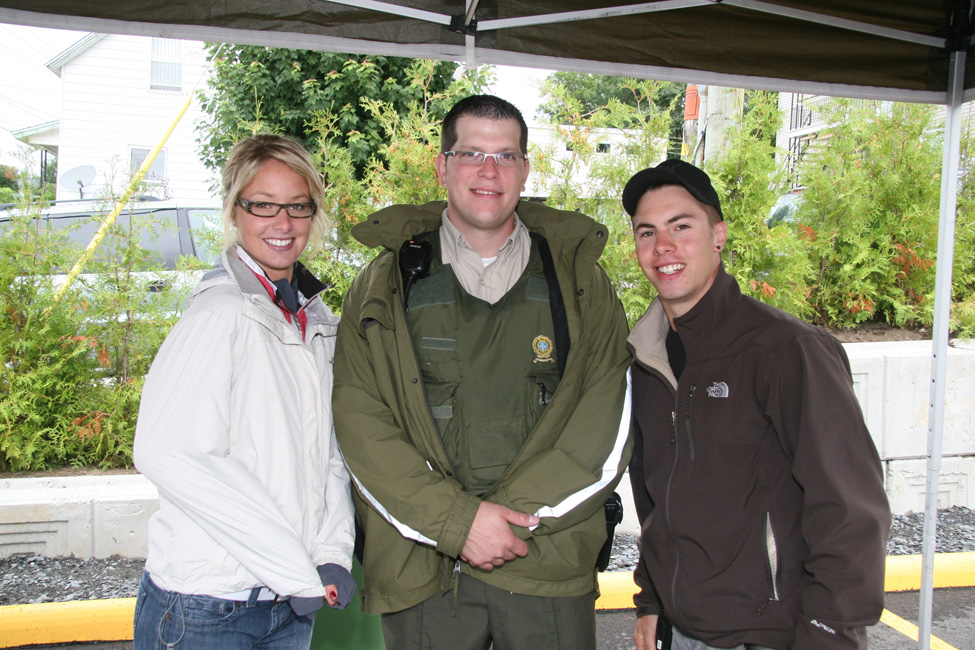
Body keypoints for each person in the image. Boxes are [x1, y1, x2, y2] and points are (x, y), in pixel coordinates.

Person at [332, 94, 632, 650]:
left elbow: (606, 421)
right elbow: (359, 425)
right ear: (443, 166)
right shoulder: (383, 286)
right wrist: (458, 523)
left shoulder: (580, 282)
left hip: (546, 563)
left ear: (525, 168)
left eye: (506, 156)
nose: (489, 171)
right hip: (425, 570)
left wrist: (503, 525)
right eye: (472, 153)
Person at [623, 159, 891, 650]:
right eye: (647, 232)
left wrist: (830, 635)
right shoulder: (646, 358)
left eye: (682, 226)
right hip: (680, 634)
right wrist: (652, 602)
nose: (663, 246)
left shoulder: (785, 350)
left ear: (718, 235)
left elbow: (850, 510)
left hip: (775, 636)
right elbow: (655, 498)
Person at [132, 134, 356, 650]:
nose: (283, 223)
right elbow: (169, 453)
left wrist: (330, 553)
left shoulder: (313, 320)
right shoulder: (220, 314)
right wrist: (295, 570)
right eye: (263, 205)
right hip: (206, 610)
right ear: (235, 211)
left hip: (287, 609)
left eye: (298, 206)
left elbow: (326, 454)